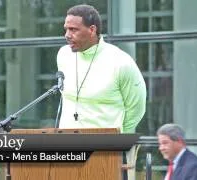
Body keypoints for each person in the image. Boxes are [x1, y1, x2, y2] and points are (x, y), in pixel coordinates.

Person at [56, 4, 146, 179]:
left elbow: (136, 109)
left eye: (74, 29)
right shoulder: (63, 55)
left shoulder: (121, 62)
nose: (67, 35)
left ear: (92, 30)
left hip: (106, 156)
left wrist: (118, 144)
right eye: (66, 29)